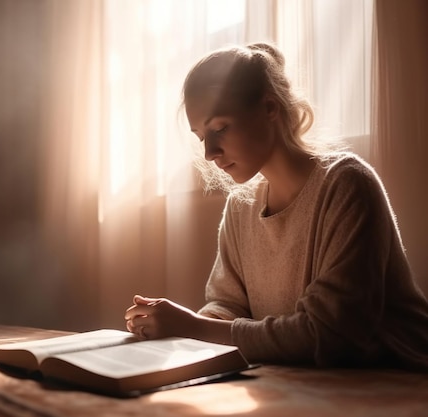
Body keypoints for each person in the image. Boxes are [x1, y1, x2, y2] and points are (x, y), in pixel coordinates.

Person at [124, 42, 428, 369]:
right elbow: (228, 306)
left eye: (220, 128)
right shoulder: (241, 206)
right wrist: (173, 328)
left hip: (397, 381)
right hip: (312, 381)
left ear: (270, 108)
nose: (210, 153)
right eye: (201, 137)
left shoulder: (347, 185)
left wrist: (194, 327)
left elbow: (329, 335)